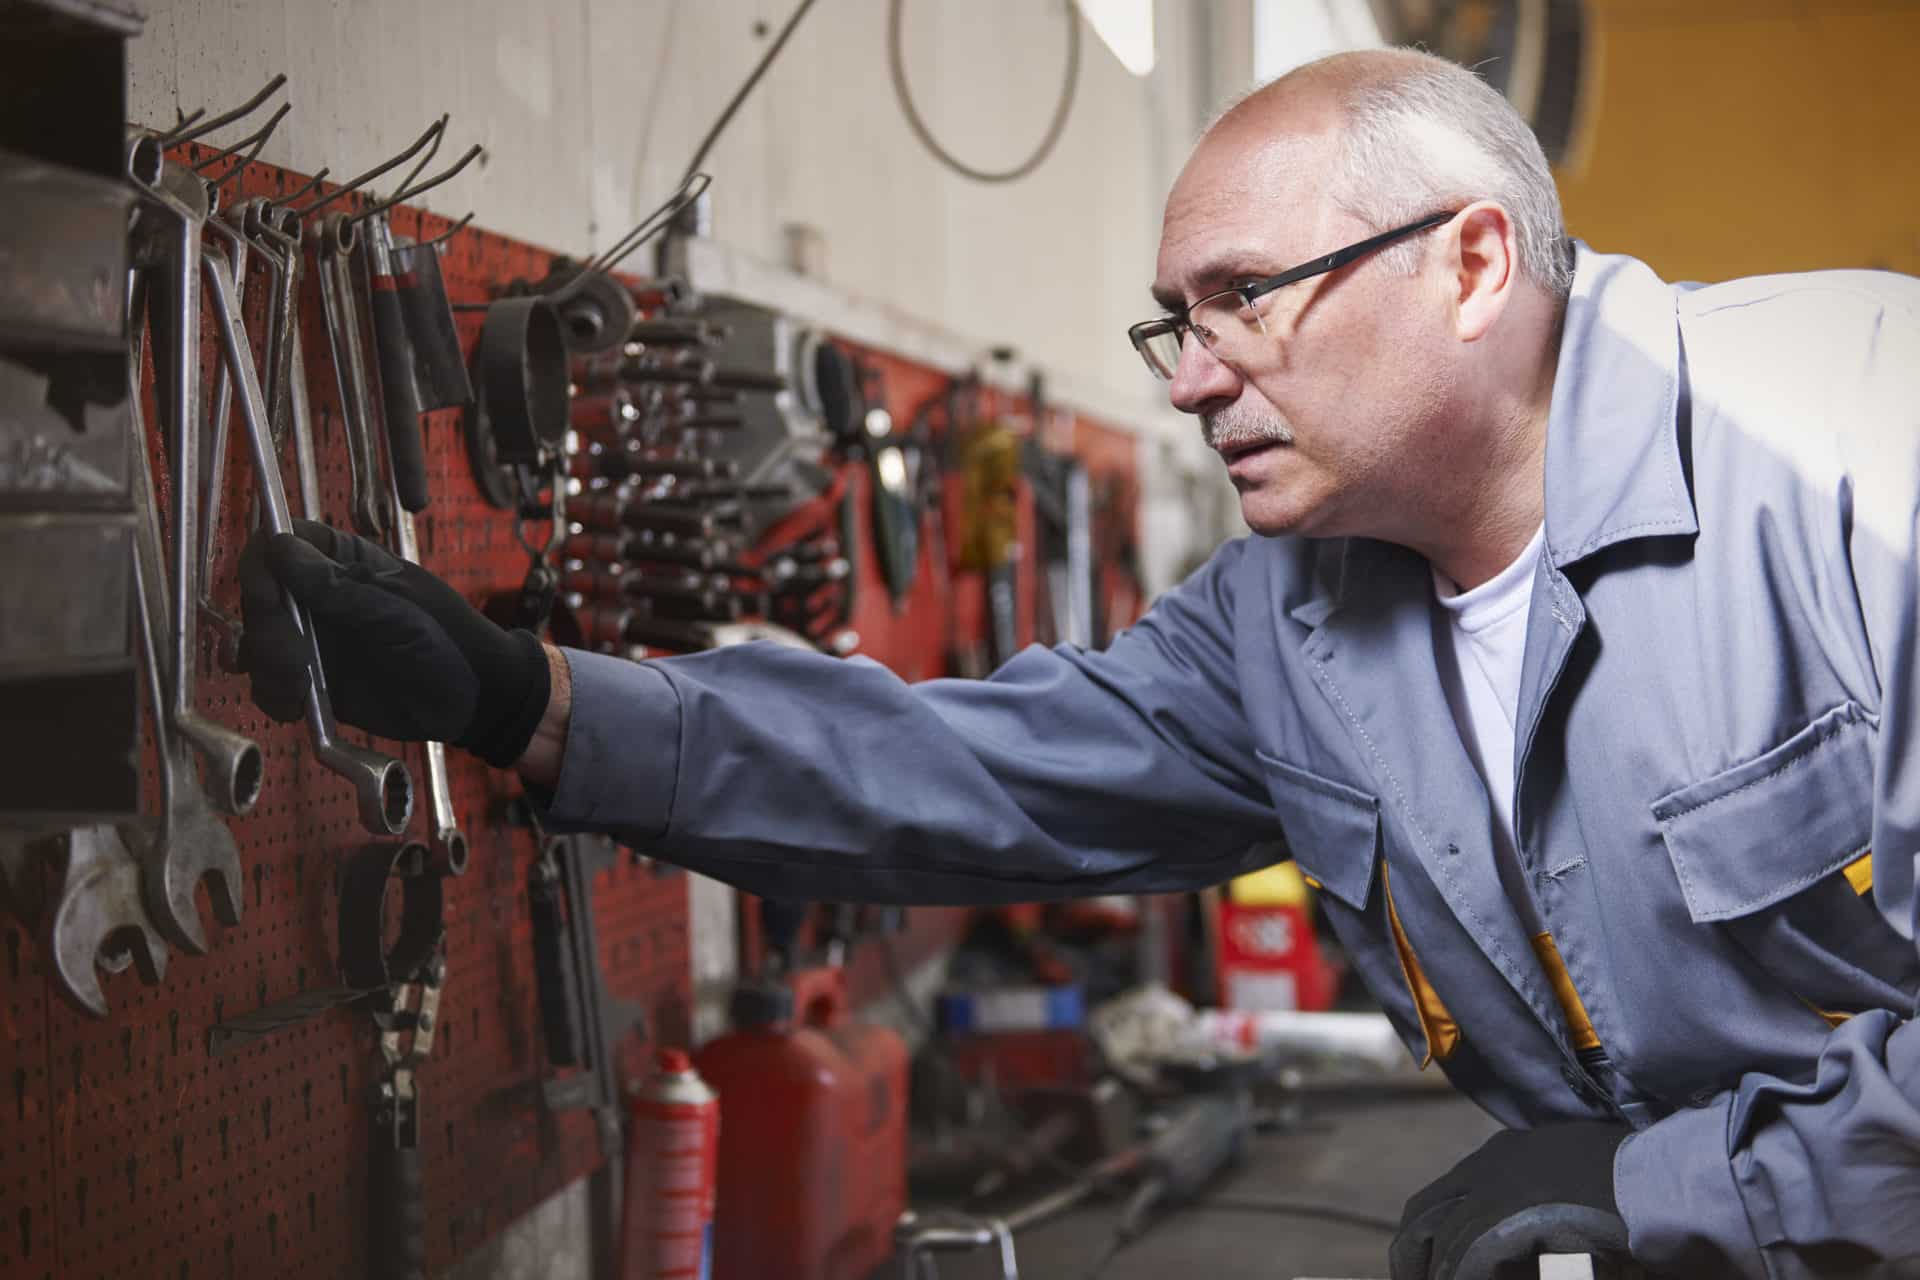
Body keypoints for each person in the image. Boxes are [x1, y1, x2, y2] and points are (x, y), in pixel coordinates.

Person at [238, 47, 1920, 1280]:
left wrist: (1677, 1195)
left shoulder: (1861, 452)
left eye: (1240, 300)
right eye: (1170, 321)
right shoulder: (1297, 615)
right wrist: (529, 704)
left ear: (1472, 263)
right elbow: (980, 780)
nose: (1189, 380)